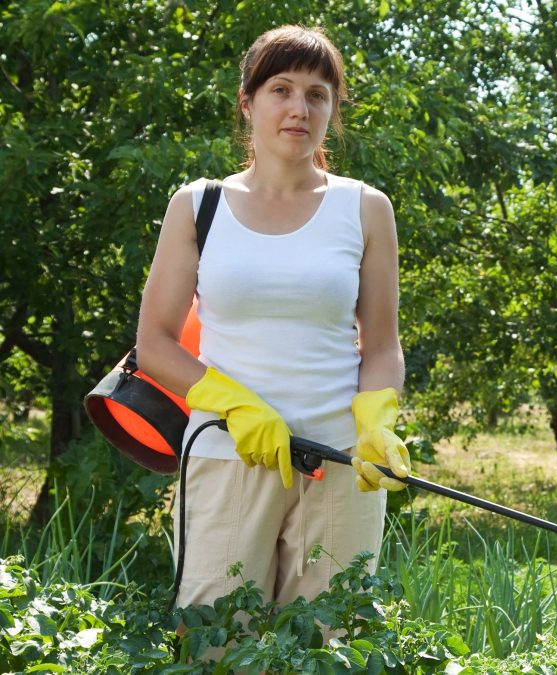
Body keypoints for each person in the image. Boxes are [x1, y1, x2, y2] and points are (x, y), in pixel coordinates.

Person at [135, 24, 411, 612]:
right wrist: (236, 405)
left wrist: (377, 421)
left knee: (331, 644)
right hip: (226, 452)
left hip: (340, 462)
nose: (298, 108)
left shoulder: (365, 208)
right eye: (280, 89)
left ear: (333, 109)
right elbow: (155, 344)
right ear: (247, 102)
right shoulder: (198, 205)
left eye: (317, 94)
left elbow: (382, 344)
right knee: (213, 639)